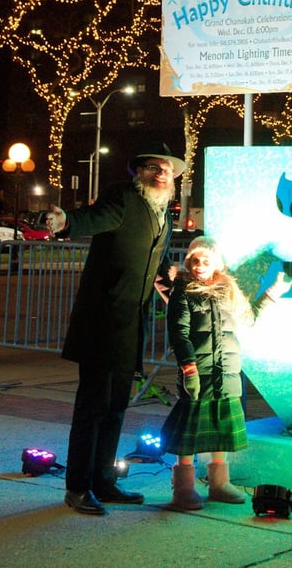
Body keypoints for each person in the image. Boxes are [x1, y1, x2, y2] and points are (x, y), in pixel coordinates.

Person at [45, 141, 185, 515]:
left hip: (130, 324)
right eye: (154, 167)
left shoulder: (163, 213)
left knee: (116, 407)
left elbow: (157, 259)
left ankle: (104, 481)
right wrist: (66, 222)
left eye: (167, 169)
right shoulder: (123, 197)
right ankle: (77, 487)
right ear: (139, 172)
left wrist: (169, 281)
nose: (161, 173)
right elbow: (95, 216)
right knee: (92, 407)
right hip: (101, 322)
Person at [160, 235, 291, 511]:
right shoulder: (182, 291)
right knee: (190, 432)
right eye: (194, 260)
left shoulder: (228, 290)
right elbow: (179, 334)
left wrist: (271, 296)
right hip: (198, 372)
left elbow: (250, 319)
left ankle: (219, 484)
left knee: (220, 427)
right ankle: (183, 488)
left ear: (217, 263)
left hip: (228, 373)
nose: (199, 265)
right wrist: (189, 368)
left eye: (205, 260)